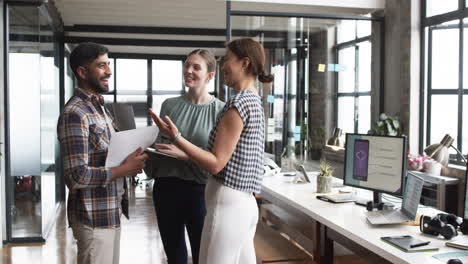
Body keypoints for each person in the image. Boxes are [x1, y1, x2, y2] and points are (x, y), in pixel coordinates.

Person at [150, 38, 274, 264]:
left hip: (227, 202)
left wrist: (177, 138)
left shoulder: (237, 103)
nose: (223, 65)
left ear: (244, 63)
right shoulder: (254, 100)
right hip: (243, 203)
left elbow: (217, 162)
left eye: (227, 59)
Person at [57, 42, 148, 264]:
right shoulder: (75, 114)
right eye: (101, 65)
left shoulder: (100, 108)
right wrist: (122, 170)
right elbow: (76, 176)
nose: (109, 71)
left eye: (108, 64)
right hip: (92, 217)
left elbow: (106, 154)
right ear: (82, 71)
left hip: (109, 210)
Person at [147, 49, 225, 264]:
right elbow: (161, 144)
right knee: (175, 256)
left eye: (196, 67)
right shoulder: (169, 105)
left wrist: (185, 156)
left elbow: (219, 159)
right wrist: (147, 148)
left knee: (203, 254)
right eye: (186, 65)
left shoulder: (221, 111)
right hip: (166, 188)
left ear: (209, 76)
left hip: (200, 191)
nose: (188, 71)